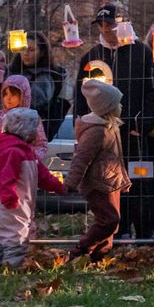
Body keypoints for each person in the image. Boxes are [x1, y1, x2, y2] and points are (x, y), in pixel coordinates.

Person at [75, 4, 154, 242]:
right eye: (102, 25)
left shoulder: (143, 53)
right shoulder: (92, 56)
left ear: (123, 24)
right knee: (108, 184)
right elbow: (80, 95)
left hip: (133, 133)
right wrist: (85, 127)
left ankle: (145, 234)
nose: (106, 30)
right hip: (102, 137)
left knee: (140, 182)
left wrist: (140, 125)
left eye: (111, 24)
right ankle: (115, 232)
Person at [0, 106, 64, 268]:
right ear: (25, 130)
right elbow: (7, 177)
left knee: (1, 238)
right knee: (16, 239)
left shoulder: (27, 152)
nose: (37, 133)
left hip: (18, 204)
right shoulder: (14, 152)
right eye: (35, 128)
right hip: (12, 205)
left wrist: (59, 187)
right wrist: (9, 198)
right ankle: (11, 267)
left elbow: (43, 176)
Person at [63, 78, 130, 260]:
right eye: (117, 103)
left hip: (110, 182)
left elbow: (115, 158)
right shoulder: (96, 131)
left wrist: (122, 179)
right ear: (108, 107)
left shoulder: (110, 127)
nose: (121, 106)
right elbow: (81, 158)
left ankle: (99, 256)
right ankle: (81, 249)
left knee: (111, 223)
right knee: (109, 220)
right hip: (98, 184)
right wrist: (70, 182)